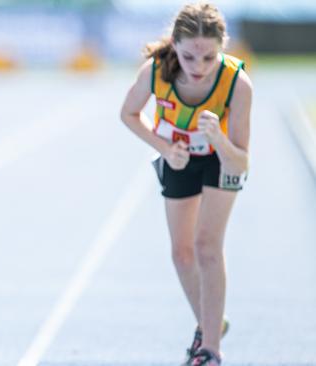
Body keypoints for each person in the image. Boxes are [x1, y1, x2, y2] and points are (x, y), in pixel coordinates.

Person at [120, 2, 252, 365]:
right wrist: (164, 148)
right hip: (178, 154)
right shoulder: (156, 72)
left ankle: (210, 350)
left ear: (222, 45)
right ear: (175, 46)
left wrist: (219, 139)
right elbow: (128, 113)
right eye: (190, 57)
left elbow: (241, 160)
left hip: (220, 159)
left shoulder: (237, 85)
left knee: (207, 246)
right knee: (181, 254)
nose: (199, 68)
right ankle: (212, 322)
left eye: (209, 57)